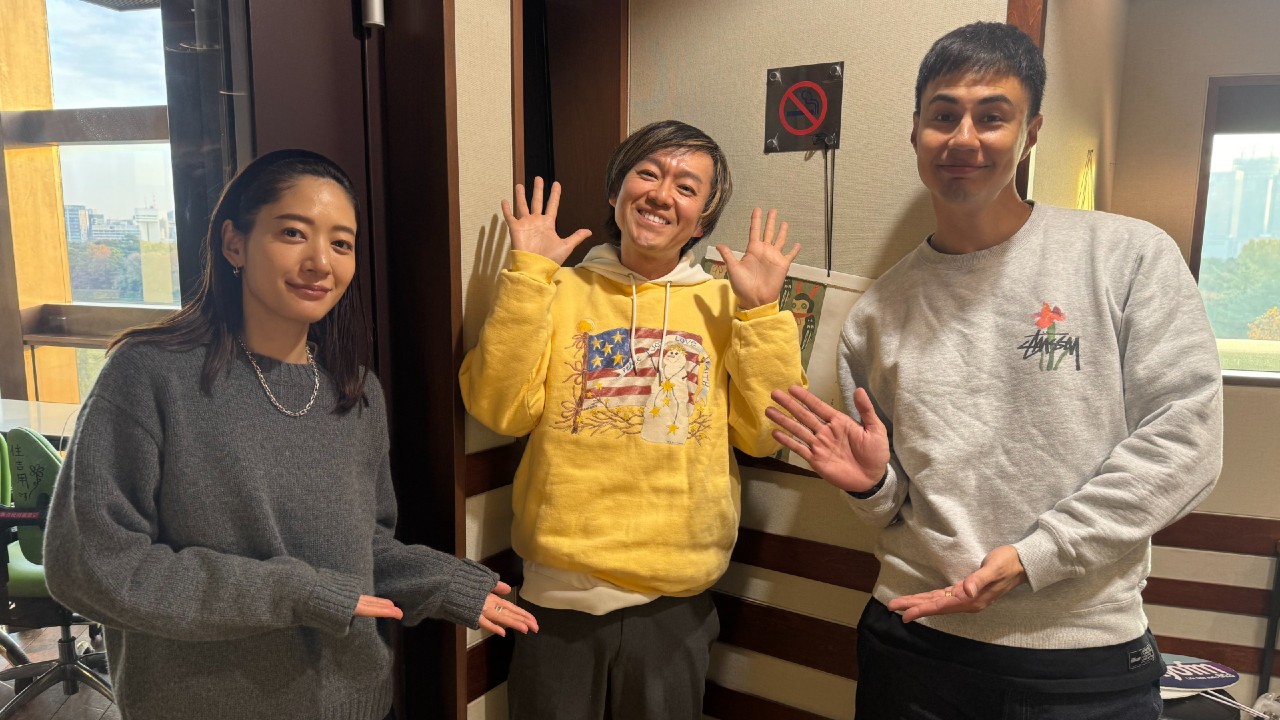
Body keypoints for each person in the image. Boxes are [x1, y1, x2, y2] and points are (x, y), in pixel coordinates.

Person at [766, 22, 1223, 720]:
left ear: (1030, 133)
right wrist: (870, 485)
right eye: (944, 115)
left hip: (1080, 654)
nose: (963, 138)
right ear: (915, 130)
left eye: (992, 116)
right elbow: (894, 505)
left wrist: (1037, 554)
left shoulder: (1126, 256)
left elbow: (1187, 441)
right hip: (913, 641)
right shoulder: (877, 312)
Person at [43, 149, 537, 720]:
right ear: (234, 243)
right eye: (293, 233)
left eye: (341, 243)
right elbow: (90, 566)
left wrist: (443, 581)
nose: (320, 262)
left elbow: (364, 550)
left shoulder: (356, 392)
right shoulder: (149, 375)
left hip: (352, 701)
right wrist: (292, 593)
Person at [459, 119, 806, 719]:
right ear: (616, 191)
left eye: (686, 187)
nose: (662, 194)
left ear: (702, 222)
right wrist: (528, 275)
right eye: (647, 173)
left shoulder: (725, 303)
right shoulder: (558, 288)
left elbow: (766, 435)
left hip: (674, 603)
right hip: (555, 597)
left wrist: (760, 313)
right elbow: (500, 409)